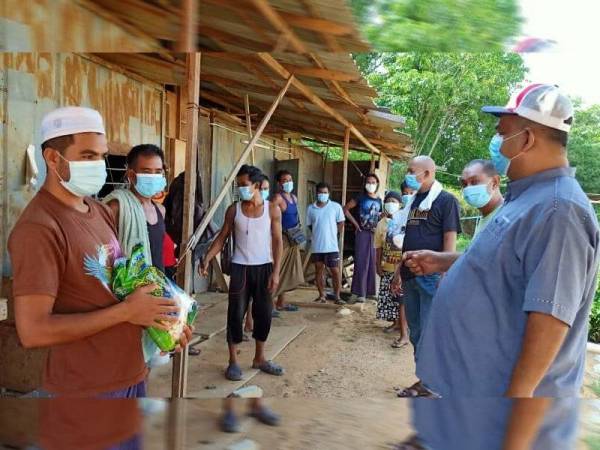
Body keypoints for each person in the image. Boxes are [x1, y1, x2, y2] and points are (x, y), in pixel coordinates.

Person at [404, 84, 600, 449]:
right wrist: (446, 261)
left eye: (502, 132)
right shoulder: (525, 198)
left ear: (528, 137)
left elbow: (549, 322)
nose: (497, 141)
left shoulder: (560, 211)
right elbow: (512, 268)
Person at [7, 106, 191, 398]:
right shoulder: (39, 228)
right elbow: (33, 331)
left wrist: (162, 318)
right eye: (88, 156)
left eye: (102, 156)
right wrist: (128, 312)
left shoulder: (97, 210)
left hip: (129, 372)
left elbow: (120, 284)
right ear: (54, 158)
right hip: (86, 387)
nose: (99, 165)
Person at [201, 165, 284, 381]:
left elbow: (277, 242)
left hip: (264, 267)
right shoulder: (234, 210)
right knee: (235, 314)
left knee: (264, 314)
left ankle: (260, 357)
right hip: (240, 268)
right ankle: (233, 361)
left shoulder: (272, 210)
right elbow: (222, 237)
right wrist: (208, 257)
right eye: (239, 186)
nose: (241, 190)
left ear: (256, 185)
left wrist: (276, 273)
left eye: (244, 185)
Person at [392, 155, 461, 398]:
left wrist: (445, 273)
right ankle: (425, 380)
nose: (408, 175)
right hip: (411, 275)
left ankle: (434, 384)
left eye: (413, 171)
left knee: (431, 333)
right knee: (418, 332)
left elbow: (449, 241)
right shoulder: (414, 201)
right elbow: (407, 238)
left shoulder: (445, 201)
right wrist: (398, 273)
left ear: (428, 173)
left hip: (432, 277)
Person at [400, 159, 505, 277]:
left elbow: (501, 265)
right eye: (464, 184)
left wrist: (442, 268)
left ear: (495, 182)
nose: (468, 188)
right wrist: (439, 261)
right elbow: (480, 259)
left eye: (474, 182)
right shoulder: (485, 218)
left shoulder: (505, 218)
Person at [374, 190, 409, 349]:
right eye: (389, 201)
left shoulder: (405, 220)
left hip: (402, 267)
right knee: (390, 297)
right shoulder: (381, 224)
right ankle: (396, 324)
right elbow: (378, 247)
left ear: (400, 204)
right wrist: (377, 265)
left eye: (395, 201)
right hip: (387, 266)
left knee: (401, 299)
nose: (391, 204)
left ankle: (403, 328)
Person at [343, 173, 383, 303]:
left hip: (375, 233)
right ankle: (358, 292)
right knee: (361, 261)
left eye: (373, 182)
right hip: (363, 232)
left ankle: (370, 292)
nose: (371, 184)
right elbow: (345, 209)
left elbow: (380, 216)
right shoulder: (360, 197)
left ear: (377, 184)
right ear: (365, 184)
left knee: (372, 262)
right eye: (369, 182)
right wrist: (356, 225)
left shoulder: (379, 200)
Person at [271, 170, 305, 313]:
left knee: (287, 271)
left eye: (290, 179)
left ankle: (281, 302)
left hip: (293, 238)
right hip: (281, 239)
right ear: (279, 183)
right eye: (284, 180)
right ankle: (269, 304)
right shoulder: (277, 198)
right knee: (276, 270)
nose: (288, 182)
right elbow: (270, 217)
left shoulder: (294, 198)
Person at [306, 182, 345, 304]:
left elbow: (341, 222)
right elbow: (310, 225)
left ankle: (337, 296)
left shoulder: (335, 207)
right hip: (317, 246)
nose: (322, 194)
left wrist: (334, 234)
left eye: (325, 192)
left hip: (332, 246)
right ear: (316, 193)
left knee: (335, 271)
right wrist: (319, 234)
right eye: (320, 192)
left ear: (329, 193)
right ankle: (322, 295)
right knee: (318, 270)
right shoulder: (311, 208)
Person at [244, 174, 271, 337]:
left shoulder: (271, 208)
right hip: (246, 262)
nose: (263, 191)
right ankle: (248, 320)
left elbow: (275, 239)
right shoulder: (239, 210)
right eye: (262, 188)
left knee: (262, 306)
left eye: (266, 189)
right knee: (245, 299)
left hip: (265, 261)